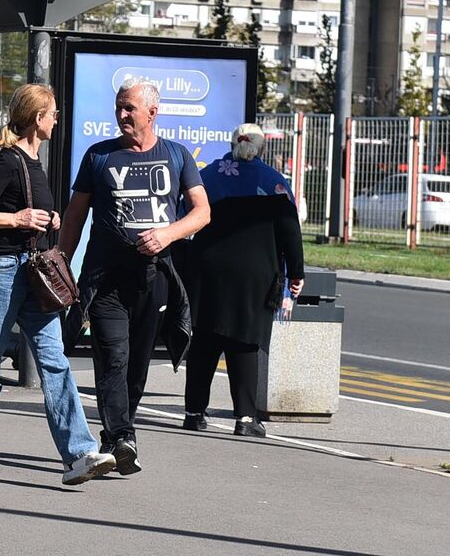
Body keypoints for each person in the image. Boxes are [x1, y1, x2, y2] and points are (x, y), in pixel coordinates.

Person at [0, 84, 118, 486]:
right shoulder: (7, 161)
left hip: (33, 274)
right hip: (1, 273)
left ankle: (79, 453)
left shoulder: (33, 162)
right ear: (38, 119)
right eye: (53, 114)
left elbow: (25, 209)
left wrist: (49, 219)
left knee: (55, 362)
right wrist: (17, 220)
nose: (57, 120)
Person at [57, 80, 210, 475]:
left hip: (155, 278)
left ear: (152, 113)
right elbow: (75, 216)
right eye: (119, 107)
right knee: (113, 357)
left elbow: (201, 212)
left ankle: (118, 437)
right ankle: (122, 436)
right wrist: (62, 264)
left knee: (137, 366)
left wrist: (168, 234)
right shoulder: (99, 156)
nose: (122, 115)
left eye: (130, 108)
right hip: (106, 278)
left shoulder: (176, 156)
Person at [180, 124, 306, 437]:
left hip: (207, 270)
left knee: (205, 341)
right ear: (261, 148)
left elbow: (185, 213)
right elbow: (291, 232)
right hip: (256, 275)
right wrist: (297, 274)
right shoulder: (275, 182)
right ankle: (246, 419)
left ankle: (194, 413)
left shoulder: (209, 175)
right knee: (244, 343)